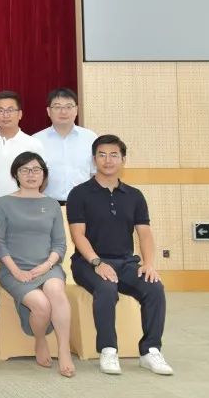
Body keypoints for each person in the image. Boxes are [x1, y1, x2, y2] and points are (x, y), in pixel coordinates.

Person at [67, 135, 172, 376]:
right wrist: (97, 262)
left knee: (155, 288)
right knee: (106, 288)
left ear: (123, 160)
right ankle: (108, 349)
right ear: (94, 159)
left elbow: (144, 234)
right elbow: (78, 235)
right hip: (87, 262)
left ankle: (150, 351)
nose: (108, 160)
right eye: (102, 155)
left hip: (125, 262)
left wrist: (149, 264)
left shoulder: (134, 195)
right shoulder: (79, 194)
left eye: (114, 155)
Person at [0, 152, 75, 377]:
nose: (31, 174)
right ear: (16, 174)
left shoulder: (51, 204)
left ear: (44, 175)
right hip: (14, 270)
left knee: (56, 291)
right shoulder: (3, 203)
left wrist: (47, 265)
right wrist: (16, 271)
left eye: (36, 170)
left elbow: (59, 244)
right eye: (25, 170)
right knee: (41, 306)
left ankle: (64, 350)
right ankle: (40, 340)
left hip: (48, 267)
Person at [33, 88, 97, 203]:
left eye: (68, 106)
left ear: (76, 110)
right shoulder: (36, 140)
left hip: (84, 203)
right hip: (47, 204)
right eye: (57, 107)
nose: (63, 112)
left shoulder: (90, 138)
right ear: (48, 111)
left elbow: (95, 173)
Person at [0, 91, 45, 203]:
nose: (5, 115)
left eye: (10, 110)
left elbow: (43, 178)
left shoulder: (33, 144)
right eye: (1, 110)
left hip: (25, 205)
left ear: (20, 114)